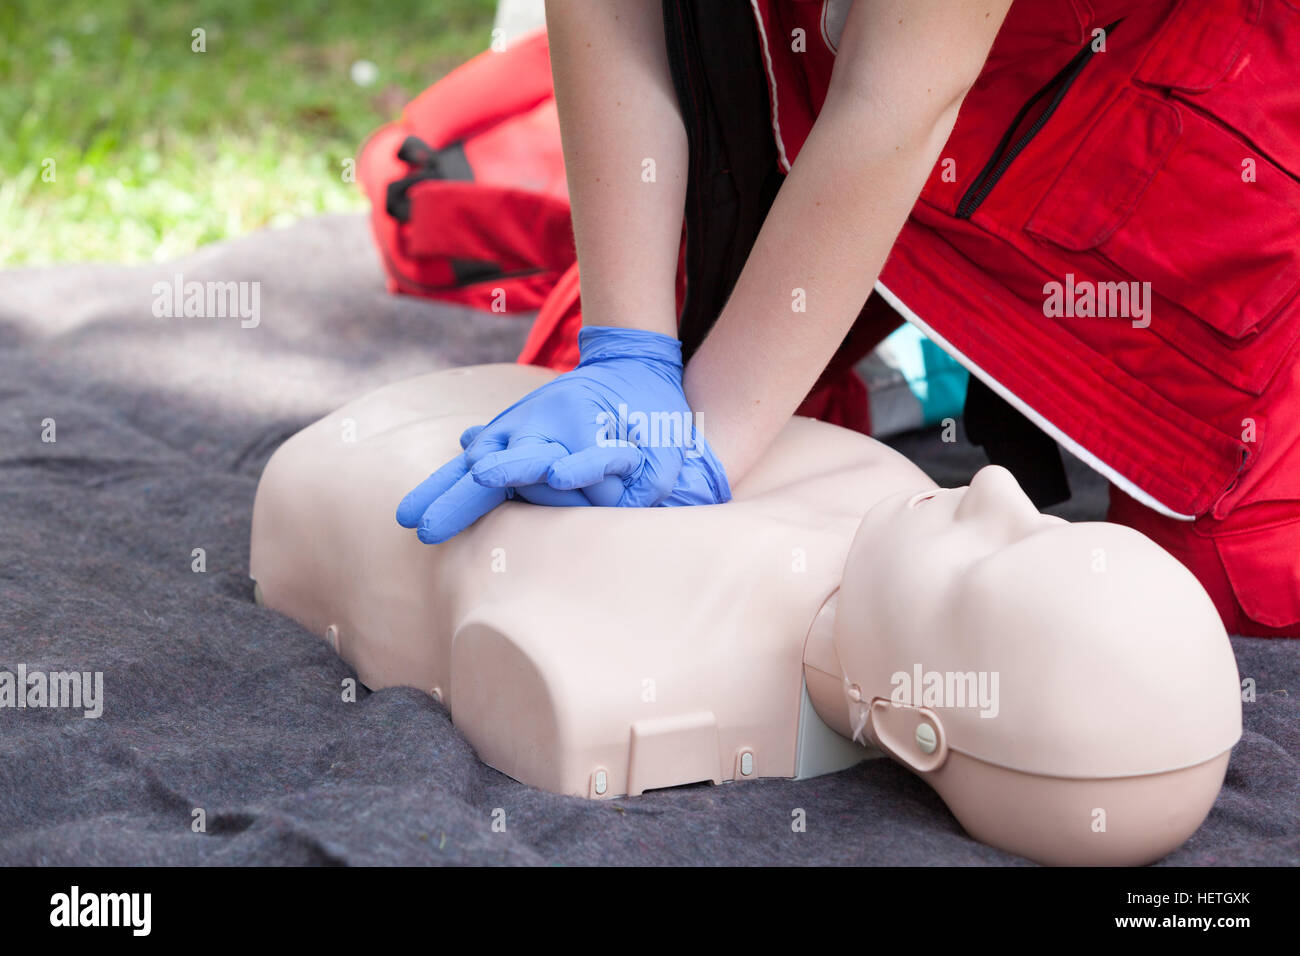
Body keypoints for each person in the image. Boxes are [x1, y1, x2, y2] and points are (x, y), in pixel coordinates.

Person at [400, 0, 1300, 638]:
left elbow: (902, 91)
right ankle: (917, 368)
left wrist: (708, 442)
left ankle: (982, 358)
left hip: (1146, 126)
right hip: (811, 73)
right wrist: (625, 354)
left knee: (1231, 581)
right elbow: (608, 13)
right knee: (570, 439)